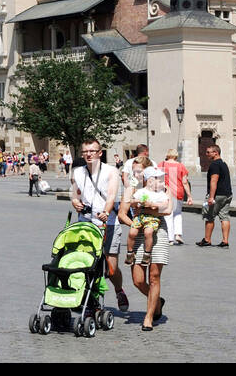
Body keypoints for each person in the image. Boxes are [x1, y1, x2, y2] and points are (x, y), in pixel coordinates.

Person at [69, 136, 128, 313]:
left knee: (111, 267)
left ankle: (119, 290)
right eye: (85, 152)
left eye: (92, 151)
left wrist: (107, 211)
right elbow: (74, 193)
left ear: (100, 153)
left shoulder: (111, 171)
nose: (88, 154)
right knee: (87, 263)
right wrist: (75, 202)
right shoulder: (78, 172)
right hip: (86, 222)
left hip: (108, 223)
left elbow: (111, 195)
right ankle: (91, 301)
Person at [118, 154, 173, 331]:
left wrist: (148, 210)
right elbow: (122, 214)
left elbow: (168, 210)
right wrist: (135, 223)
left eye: (139, 171)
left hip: (158, 231)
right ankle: (157, 302)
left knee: (154, 276)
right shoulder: (131, 188)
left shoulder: (162, 187)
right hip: (139, 232)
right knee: (138, 280)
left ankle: (148, 317)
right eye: (134, 172)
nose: (136, 175)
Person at [126, 166, 168, 265]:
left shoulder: (161, 193)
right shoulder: (141, 191)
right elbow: (131, 202)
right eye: (160, 180)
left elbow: (165, 204)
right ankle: (130, 252)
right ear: (150, 181)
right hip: (140, 217)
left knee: (148, 232)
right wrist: (137, 202)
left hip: (152, 218)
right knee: (132, 233)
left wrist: (153, 204)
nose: (163, 183)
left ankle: (147, 254)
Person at [197, 143, 233, 248]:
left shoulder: (215, 165)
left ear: (215, 153)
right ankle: (225, 241)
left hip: (217, 195)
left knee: (209, 216)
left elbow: (214, 181)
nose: (206, 154)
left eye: (208, 152)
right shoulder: (223, 163)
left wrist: (211, 197)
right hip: (227, 194)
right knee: (225, 217)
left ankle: (207, 240)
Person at [161, 149, 192, 245]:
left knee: (168, 215)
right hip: (178, 192)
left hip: (165, 192)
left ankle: (169, 238)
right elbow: (185, 182)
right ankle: (178, 234)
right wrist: (190, 196)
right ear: (176, 155)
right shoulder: (180, 166)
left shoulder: (161, 165)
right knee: (177, 214)